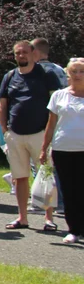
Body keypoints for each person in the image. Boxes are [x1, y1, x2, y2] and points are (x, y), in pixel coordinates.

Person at [0, 41, 63, 230]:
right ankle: (22, 218)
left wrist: (50, 133)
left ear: (33, 53)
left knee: (46, 175)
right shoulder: (10, 76)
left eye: (25, 53)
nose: (21, 56)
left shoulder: (46, 75)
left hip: (40, 134)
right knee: (20, 178)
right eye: (18, 53)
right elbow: (3, 104)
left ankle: (48, 218)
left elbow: (55, 105)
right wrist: (5, 131)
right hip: (16, 134)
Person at [40, 58, 84, 244]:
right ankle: (73, 229)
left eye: (81, 71)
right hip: (63, 148)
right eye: (74, 71)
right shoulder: (59, 96)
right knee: (68, 190)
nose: (78, 75)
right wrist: (44, 149)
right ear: (68, 74)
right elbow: (51, 125)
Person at [32, 37, 67, 214]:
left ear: (36, 52)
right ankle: (59, 200)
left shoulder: (39, 72)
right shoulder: (60, 70)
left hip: (43, 123)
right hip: (61, 124)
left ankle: (44, 201)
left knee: (43, 165)